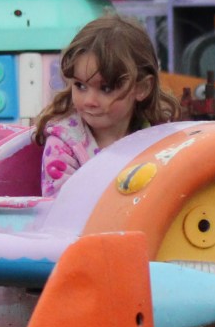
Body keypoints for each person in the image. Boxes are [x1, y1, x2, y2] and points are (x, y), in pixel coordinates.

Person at [34, 14, 180, 196]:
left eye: (106, 88)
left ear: (142, 88)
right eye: (80, 86)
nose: (89, 101)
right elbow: (61, 209)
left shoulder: (158, 139)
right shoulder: (64, 144)